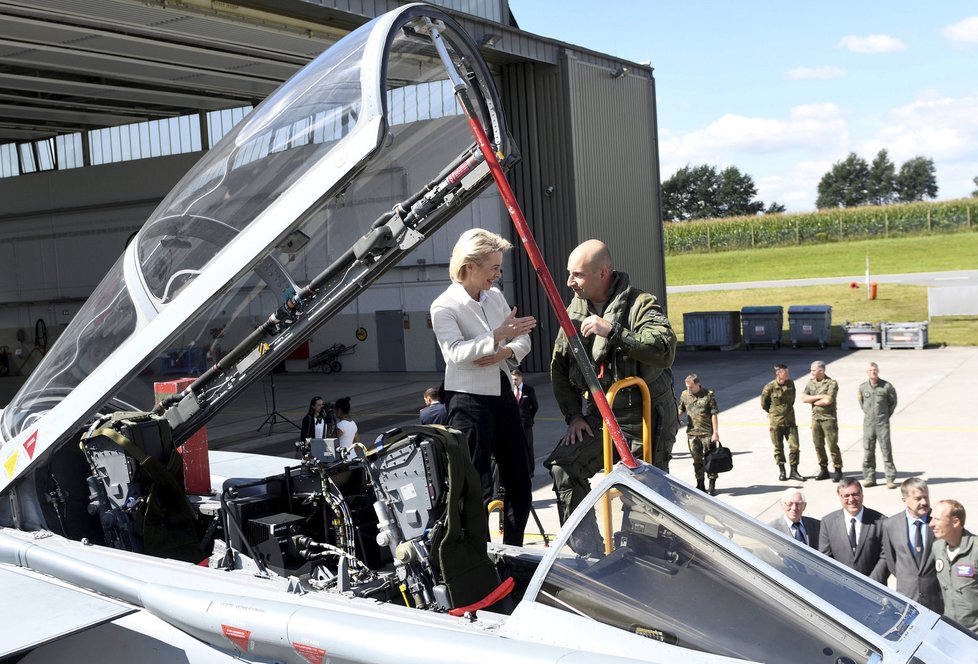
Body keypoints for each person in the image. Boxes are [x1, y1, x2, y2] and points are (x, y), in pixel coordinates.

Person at [545, 239, 678, 556]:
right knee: (564, 467)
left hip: (645, 416)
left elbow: (664, 349)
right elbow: (560, 369)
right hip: (601, 416)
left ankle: (642, 557)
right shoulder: (574, 312)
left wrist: (613, 331)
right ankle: (588, 552)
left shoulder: (640, 304)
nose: (569, 282)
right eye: (568, 274)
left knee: (643, 493)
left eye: (577, 275)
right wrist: (574, 416)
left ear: (602, 273)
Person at [430, 228, 535, 546]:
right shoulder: (444, 306)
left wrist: (505, 350)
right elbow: (455, 353)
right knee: (475, 485)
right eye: (494, 267)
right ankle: (472, 552)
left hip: (500, 392)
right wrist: (497, 337)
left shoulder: (496, 296)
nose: (498, 274)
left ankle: (514, 551)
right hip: (467, 400)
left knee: (520, 478)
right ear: (470, 265)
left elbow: (522, 338)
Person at [880, 478, 943, 613]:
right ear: (905, 500)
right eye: (918, 499)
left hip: (936, 599)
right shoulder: (890, 525)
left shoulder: (939, 521)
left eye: (926, 497)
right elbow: (892, 562)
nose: (924, 502)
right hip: (907, 598)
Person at [819, 478, 888, 580]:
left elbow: (886, 556)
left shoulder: (881, 521)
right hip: (840, 587)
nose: (851, 499)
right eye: (846, 496)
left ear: (862, 495)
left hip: (874, 588)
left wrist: (872, 583)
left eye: (855, 494)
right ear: (840, 497)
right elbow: (825, 557)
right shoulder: (828, 522)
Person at [930, 499, 978, 633]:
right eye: (931, 518)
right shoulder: (937, 548)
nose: (931, 524)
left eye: (937, 519)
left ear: (956, 522)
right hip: (952, 631)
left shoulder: (975, 550)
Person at [857, 362, 898, 489]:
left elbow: (893, 403)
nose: (873, 372)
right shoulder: (863, 387)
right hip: (868, 424)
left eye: (874, 370)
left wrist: (885, 416)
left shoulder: (886, 386)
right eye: (870, 370)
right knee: (868, 451)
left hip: (882, 424)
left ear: (878, 371)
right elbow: (861, 403)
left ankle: (890, 478)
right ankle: (869, 477)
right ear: (867, 372)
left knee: (886, 451)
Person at [678, 374, 720, 495]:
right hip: (692, 434)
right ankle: (700, 484)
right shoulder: (685, 395)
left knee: (711, 460)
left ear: (697, 384)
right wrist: (674, 418)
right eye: (687, 387)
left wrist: (715, 432)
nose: (689, 389)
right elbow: (681, 409)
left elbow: (714, 414)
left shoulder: (708, 395)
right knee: (697, 461)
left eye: (691, 387)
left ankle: (712, 485)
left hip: (707, 433)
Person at [760, 363, 804, 482]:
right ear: (778, 373)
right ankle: (782, 471)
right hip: (776, 423)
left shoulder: (791, 384)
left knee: (795, 447)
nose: (788, 374)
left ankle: (794, 471)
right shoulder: (769, 387)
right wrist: (775, 413)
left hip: (790, 421)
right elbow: (764, 404)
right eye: (785, 372)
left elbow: (792, 400)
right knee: (778, 448)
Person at [801, 360, 842, 482]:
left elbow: (828, 400)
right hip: (815, 419)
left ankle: (838, 469)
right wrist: (819, 397)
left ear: (821, 371)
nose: (811, 372)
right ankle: (823, 469)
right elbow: (803, 398)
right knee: (818, 445)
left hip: (828, 419)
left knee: (832, 445)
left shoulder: (831, 383)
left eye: (813, 370)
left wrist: (813, 400)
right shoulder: (810, 382)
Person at [511, 369, 539, 474]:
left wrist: (530, 418)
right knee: (515, 447)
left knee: (528, 447)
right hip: (513, 424)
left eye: (516, 379)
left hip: (526, 424)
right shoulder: (510, 390)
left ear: (521, 378)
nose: (514, 382)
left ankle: (530, 470)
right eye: (513, 379)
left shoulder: (528, 390)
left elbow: (535, 406)